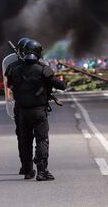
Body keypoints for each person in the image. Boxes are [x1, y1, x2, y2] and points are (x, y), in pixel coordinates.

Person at [7, 39, 67, 181]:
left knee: (24, 141)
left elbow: (10, 86)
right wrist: (62, 82)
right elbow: (61, 85)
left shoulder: (13, 69)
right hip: (38, 111)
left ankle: (27, 170)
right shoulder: (42, 69)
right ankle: (42, 171)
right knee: (42, 140)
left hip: (21, 112)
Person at [4, 37, 30, 175]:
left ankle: (26, 167)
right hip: (37, 108)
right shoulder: (42, 67)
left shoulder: (12, 68)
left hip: (21, 108)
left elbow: (9, 89)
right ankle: (41, 168)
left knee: (23, 138)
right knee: (40, 138)